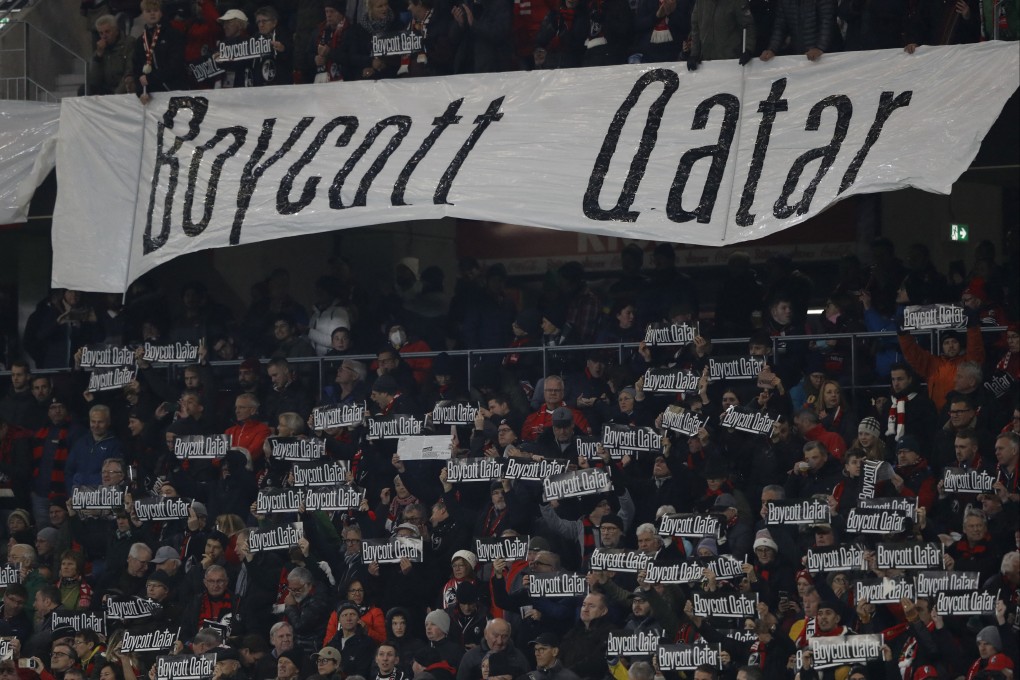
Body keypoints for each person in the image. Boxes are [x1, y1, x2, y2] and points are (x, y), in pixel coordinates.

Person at [133, 0, 186, 103]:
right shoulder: (141, 41)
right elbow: (137, 69)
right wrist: (141, 92)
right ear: (143, 14)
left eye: (155, 10)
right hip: (153, 96)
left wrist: (151, 78)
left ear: (161, 13)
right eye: (148, 11)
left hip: (175, 91)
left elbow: (175, 64)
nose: (152, 13)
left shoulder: (173, 35)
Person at [89, 15, 135, 94]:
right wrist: (98, 57)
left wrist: (116, 95)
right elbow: (94, 80)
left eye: (107, 32)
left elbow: (130, 70)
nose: (104, 36)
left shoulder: (129, 43)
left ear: (116, 31)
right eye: (101, 33)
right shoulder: (100, 49)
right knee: (84, 90)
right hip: (107, 88)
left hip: (124, 85)